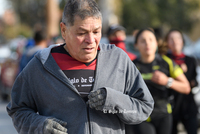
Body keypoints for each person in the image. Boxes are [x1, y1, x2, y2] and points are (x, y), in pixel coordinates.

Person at [6, 0, 154, 134]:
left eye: (96, 32)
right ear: (63, 30)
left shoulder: (118, 59)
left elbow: (144, 107)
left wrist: (114, 100)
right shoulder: (42, 64)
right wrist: (40, 125)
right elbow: (17, 110)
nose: (91, 40)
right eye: (82, 33)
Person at [127, 28, 190, 134]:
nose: (147, 43)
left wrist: (167, 81)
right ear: (136, 45)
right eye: (143, 41)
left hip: (163, 115)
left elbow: (186, 87)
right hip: (142, 116)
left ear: (156, 43)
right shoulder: (131, 66)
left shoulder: (166, 62)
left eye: (151, 40)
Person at [164, 29, 198, 134]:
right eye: (171, 39)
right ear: (167, 43)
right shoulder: (164, 60)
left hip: (188, 105)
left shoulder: (190, 60)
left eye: (178, 38)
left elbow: (194, 82)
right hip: (171, 106)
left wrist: (190, 82)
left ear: (182, 41)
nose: (175, 41)